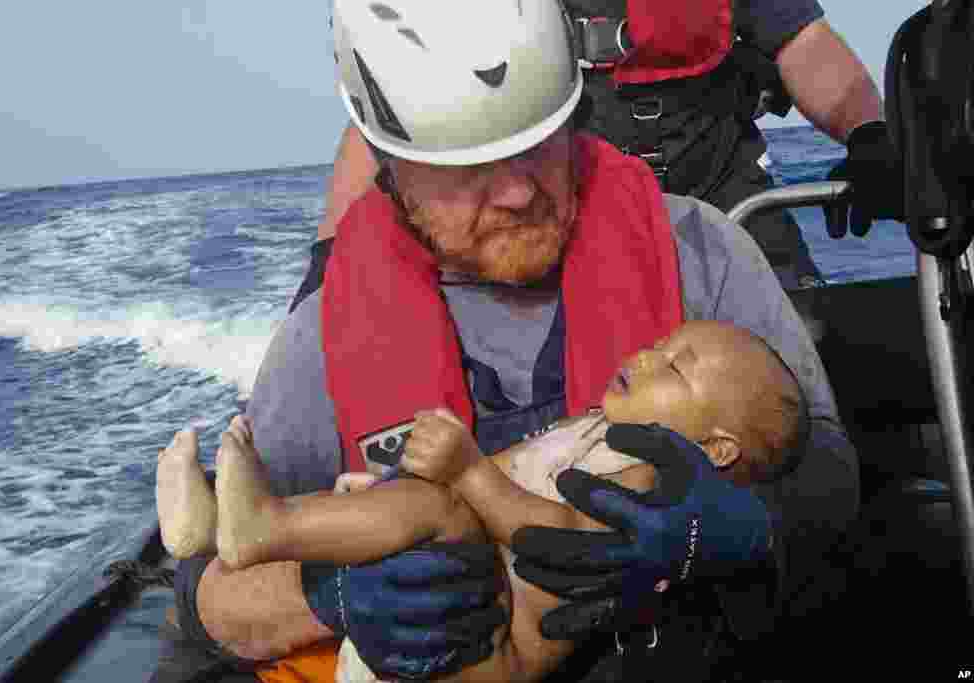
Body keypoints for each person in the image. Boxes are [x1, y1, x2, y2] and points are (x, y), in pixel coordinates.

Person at [168, 1, 858, 681]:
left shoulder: (703, 254)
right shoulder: (319, 342)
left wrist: (742, 527)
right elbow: (208, 593)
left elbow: (830, 475)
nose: (519, 193)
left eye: (539, 147)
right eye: (471, 167)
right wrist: (327, 596)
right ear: (391, 167)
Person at [157, 320, 809, 682]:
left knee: (435, 512)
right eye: (661, 345)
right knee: (417, 505)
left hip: (484, 652)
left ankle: (260, 523)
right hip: (377, 636)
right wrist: (348, 564)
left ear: (718, 450)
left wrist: (466, 471)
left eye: (674, 367)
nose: (643, 352)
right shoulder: (598, 430)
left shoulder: (649, 485)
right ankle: (228, 528)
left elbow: (559, 540)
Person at [315, 0, 901, 295]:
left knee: (807, 356)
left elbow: (805, 43)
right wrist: (330, 256)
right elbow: (395, 114)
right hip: (565, 216)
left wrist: (869, 134)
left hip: (729, 205)